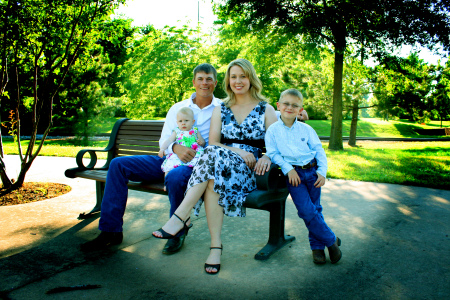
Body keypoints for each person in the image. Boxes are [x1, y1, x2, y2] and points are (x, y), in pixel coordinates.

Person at [152, 58, 278, 275]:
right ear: (228, 81)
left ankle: (180, 217)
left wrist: (267, 157)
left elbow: (278, 144)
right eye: (233, 76)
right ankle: (214, 247)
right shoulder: (222, 108)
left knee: (211, 159)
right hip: (221, 164)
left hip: (248, 169)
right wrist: (240, 150)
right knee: (212, 172)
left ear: (251, 78)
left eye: (242, 76)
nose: (238, 81)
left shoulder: (266, 109)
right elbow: (214, 142)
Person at [80, 63, 221, 255]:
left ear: (215, 82)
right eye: (200, 79)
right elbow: (164, 139)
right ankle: (110, 231)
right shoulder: (178, 108)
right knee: (118, 164)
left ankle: (177, 231)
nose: (205, 83)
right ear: (193, 82)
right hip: (169, 158)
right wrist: (175, 147)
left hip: (195, 165)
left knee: (176, 176)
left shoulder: (222, 108)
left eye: (209, 79)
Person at [265, 88, 342, 265]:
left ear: (301, 110)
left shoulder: (306, 129)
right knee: (306, 211)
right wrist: (287, 169)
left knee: (315, 209)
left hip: (312, 172)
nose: (289, 107)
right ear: (278, 105)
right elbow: (273, 153)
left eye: (295, 105)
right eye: (286, 103)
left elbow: (319, 150)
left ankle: (317, 248)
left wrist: (322, 172)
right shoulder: (273, 131)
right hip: (294, 176)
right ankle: (331, 241)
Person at [159, 107, 206, 190]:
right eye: (180, 121)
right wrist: (162, 148)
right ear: (177, 123)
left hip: (194, 154)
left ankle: (195, 186)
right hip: (178, 155)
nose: (183, 123)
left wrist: (201, 142)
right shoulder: (176, 131)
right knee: (168, 166)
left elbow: (202, 141)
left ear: (192, 122)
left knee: (199, 167)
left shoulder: (195, 131)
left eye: (186, 121)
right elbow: (169, 140)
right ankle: (166, 184)